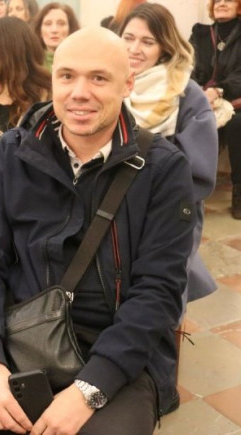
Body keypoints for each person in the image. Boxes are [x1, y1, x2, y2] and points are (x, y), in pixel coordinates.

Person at [0, 27, 195, 434]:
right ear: (52, 80)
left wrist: (90, 389)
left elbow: (158, 291)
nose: (79, 92)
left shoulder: (162, 169)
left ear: (127, 83)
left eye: (99, 78)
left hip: (113, 348)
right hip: (17, 332)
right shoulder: (13, 151)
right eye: (67, 76)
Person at [120, 3, 218, 305]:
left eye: (147, 41)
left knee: (160, 295)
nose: (134, 49)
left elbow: (198, 173)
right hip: (113, 208)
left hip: (169, 210)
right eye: (128, 38)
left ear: (164, 46)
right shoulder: (110, 85)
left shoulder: (186, 93)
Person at [190, 0, 241, 218]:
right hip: (203, 97)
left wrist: (219, 91)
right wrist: (199, 92)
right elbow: (187, 66)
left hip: (235, 98)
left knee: (238, 124)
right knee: (187, 117)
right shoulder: (200, 34)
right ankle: (186, 185)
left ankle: (239, 191)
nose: (221, 3)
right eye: (217, 0)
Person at [33, 2, 79, 71]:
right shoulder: (31, 64)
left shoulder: (80, 61)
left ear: (70, 29)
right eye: (48, 24)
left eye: (61, 24)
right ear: (39, 31)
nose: (54, 30)